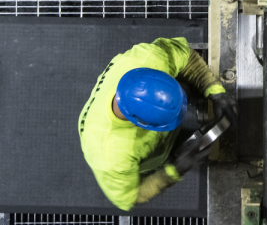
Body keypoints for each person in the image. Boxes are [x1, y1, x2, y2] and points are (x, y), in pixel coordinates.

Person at [78, 36, 236, 211]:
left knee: (186, 88)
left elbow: (186, 57)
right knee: (162, 158)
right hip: (141, 154)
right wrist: (175, 170)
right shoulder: (111, 156)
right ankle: (166, 154)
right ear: (141, 124)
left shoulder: (149, 58)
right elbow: (131, 196)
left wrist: (215, 91)